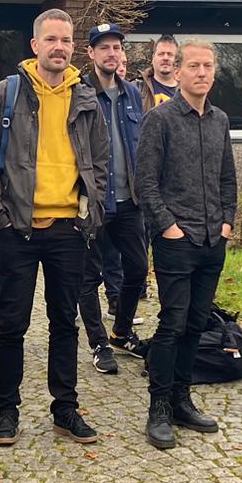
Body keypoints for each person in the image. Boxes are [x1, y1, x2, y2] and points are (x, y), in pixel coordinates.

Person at [0, 9, 109, 447]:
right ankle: (6, 412)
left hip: (69, 229)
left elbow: (102, 162)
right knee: (11, 325)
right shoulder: (6, 94)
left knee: (64, 322)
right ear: (35, 45)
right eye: (51, 39)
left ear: (74, 47)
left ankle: (65, 409)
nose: (59, 47)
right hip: (18, 229)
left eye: (66, 40)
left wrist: (91, 211)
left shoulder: (86, 98)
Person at [135, 40, 236, 448]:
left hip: (214, 238)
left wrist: (228, 220)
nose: (201, 72)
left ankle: (181, 397)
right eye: (193, 65)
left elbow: (228, 176)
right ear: (176, 72)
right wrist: (167, 227)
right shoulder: (159, 120)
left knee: (197, 323)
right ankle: (158, 406)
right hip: (178, 238)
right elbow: (145, 182)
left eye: (207, 66)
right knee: (173, 323)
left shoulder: (220, 120)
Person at [76, 22, 149, 375]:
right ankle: (98, 342)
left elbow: (141, 145)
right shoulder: (79, 92)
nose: (111, 53)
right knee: (88, 278)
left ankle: (121, 330)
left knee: (136, 268)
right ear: (91, 53)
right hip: (92, 202)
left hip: (129, 201)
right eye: (103, 47)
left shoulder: (133, 93)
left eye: (116, 47)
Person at [139, 33, 180, 111]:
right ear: (153, 58)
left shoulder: (187, 90)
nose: (165, 58)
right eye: (161, 54)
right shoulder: (137, 88)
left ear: (177, 60)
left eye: (170, 54)